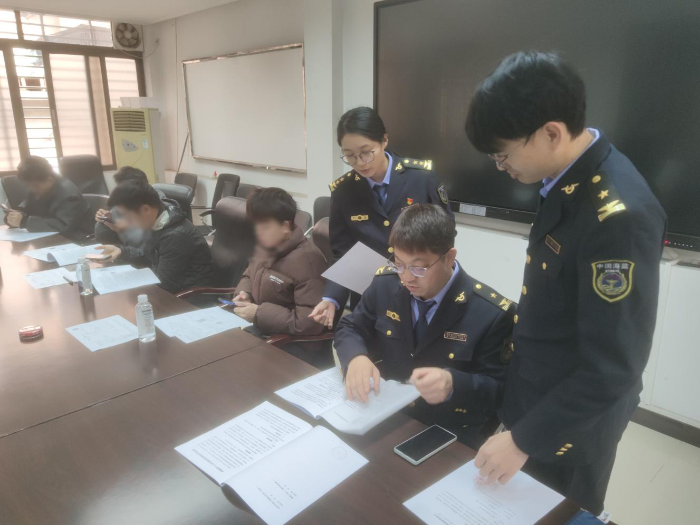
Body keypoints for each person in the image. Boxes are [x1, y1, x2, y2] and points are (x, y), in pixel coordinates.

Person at [464, 51, 667, 514]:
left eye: (503, 154)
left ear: (551, 133)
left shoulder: (618, 217)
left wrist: (524, 439)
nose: (500, 166)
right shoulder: (566, 176)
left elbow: (613, 368)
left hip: (572, 426)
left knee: (560, 514)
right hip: (539, 393)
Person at [334, 204, 515, 449]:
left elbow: (500, 391)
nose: (406, 277)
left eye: (419, 268)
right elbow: (349, 327)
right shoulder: (385, 284)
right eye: (399, 263)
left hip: (448, 431)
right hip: (387, 416)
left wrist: (454, 383)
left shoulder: (491, 313)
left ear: (449, 257)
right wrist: (356, 357)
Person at [309, 106, 455, 329]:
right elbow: (343, 253)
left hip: (422, 288)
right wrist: (331, 298)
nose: (359, 162)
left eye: (366, 152)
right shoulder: (343, 191)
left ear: (384, 140)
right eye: (350, 156)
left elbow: (446, 233)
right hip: (371, 294)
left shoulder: (422, 178)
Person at [231, 187, 328, 336]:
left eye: (265, 227)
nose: (258, 232)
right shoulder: (266, 245)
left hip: (288, 342)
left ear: (285, 226)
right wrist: (245, 294)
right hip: (259, 328)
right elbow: (248, 275)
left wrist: (258, 313)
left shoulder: (309, 262)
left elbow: (309, 322)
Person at [97, 180, 213, 294]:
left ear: (146, 209)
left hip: (189, 298)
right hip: (170, 289)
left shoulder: (175, 236)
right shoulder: (158, 218)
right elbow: (150, 254)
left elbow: (165, 286)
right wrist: (121, 251)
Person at [4, 156, 93, 240]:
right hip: (50, 238)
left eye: (35, 186)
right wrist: (14, 216)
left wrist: (24, 222)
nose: (31, 190)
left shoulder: (69, 194)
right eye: (28, 186)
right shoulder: (39, 188)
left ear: (49, 180)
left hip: (77, 239)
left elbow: (63, 226)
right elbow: (25, 208)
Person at [94, 166, 172, 247]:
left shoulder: (157, 205)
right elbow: (102, 235)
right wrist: (108, 219)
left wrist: (124, 231)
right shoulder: (125, 200)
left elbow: (147, 244)